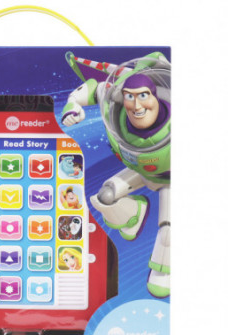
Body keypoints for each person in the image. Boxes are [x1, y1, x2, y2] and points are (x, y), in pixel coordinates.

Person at [62, 52, 170, 297]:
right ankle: (134, 215)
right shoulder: (115, 104)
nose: (137, 105)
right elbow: (92, 89)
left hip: (171, 179)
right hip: (141, 170)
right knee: (106, 197)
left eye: (143, 95)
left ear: (155, 94)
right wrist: (72, 106)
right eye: (130, 97)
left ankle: (164, 272)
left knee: (168, 232)